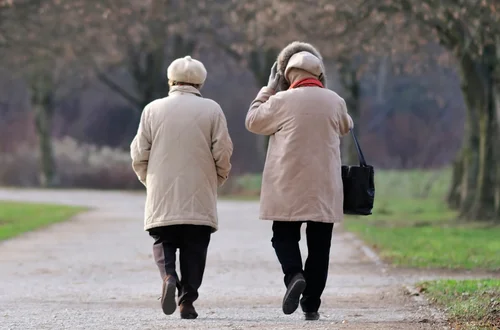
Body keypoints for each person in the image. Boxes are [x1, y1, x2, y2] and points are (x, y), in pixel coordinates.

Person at [245, 42, 353, 321]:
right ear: (319, 75)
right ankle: (312, 304)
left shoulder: (279, 102)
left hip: (287, 183)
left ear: (287, 75)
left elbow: (253, 121)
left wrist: (268, 90)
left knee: (283, 235)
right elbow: (346, 125)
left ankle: (294, 275)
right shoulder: (334, 100)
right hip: (324, 186)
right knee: (320, 246)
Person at [130, 55, 233, 319]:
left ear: (170, 80)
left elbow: (139, 153)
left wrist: (150, 180)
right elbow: (222, 151)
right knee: (195, 247)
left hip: (162, 190)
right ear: (200, 82)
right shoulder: (212, 110)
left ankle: (168, 277)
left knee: (163, 239)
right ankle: (187, 300)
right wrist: (216, 179)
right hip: (200, 192)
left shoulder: (152, 109)